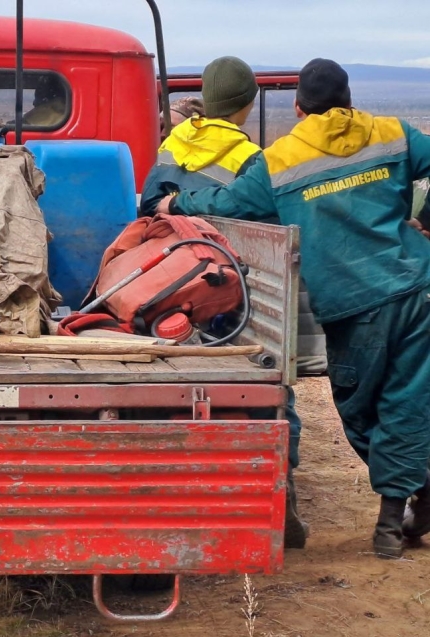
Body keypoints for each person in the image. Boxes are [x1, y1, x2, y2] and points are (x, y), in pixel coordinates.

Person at [157, 58, 430, 559]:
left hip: (354, 304)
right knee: (409, 400)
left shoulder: (279, 159)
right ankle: (408, 505)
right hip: (416, 288)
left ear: (298, 106)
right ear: (349, 99)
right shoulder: (395, 133)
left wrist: (174, 205)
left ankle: (397, 515)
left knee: (359, 406)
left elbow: (227, 202)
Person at [142, 56, 309, 549]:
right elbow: (263, 215)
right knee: (269, 385)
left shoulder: (171, 145)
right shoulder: (249, 156)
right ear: (246, 104)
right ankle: (283, 495)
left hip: (170, 285)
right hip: (229, 287)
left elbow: (149, 206)